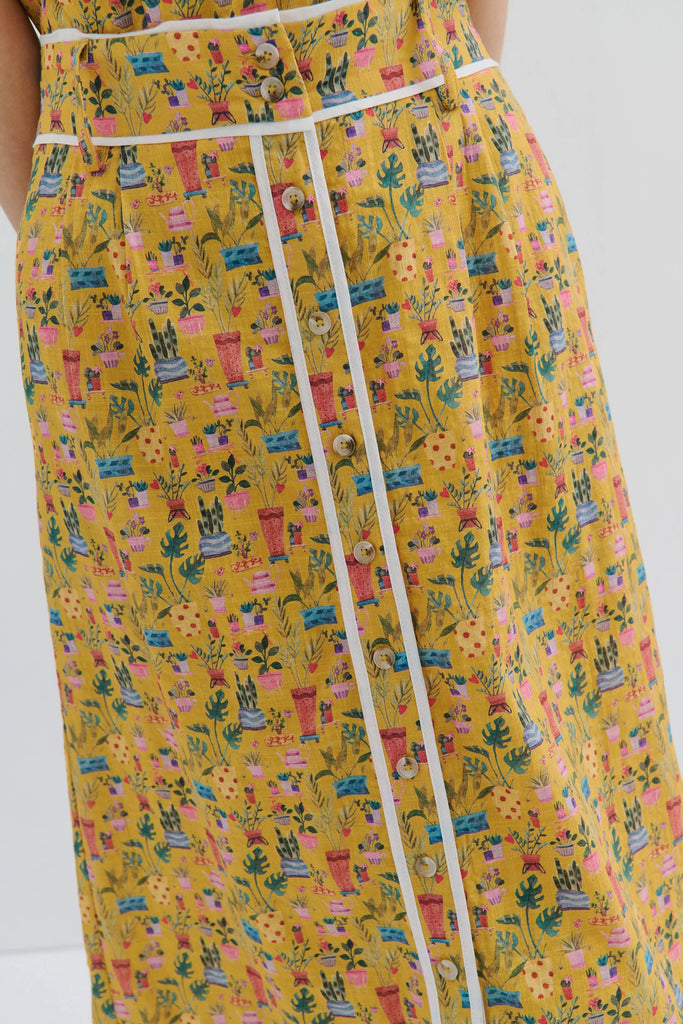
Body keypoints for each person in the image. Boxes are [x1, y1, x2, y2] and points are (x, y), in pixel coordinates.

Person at [5, 1, 683, 1022]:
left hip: (415, 195)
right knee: (219, 759)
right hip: (144, 270)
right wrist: (98, 210)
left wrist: (395, 100)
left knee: (517, 703)